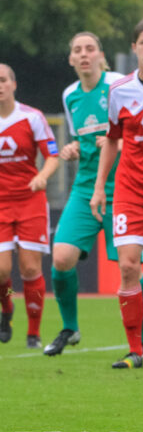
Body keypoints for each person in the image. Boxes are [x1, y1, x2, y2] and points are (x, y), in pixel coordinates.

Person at [90, 16, 143, 368]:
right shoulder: (118, 90)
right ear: (134, 48)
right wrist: (98, 189)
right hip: (130, 190)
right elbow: (111, 140)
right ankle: (135, 351)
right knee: (127, 266)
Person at [43, 32, 127, 356]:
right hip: (86, 187)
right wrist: (75, 147)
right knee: (62, 257)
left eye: (89, 48)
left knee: (129, 265)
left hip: (123, 186)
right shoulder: (70, 96)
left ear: (100, 55)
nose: (83, 55)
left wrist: (116, 141)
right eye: (77, 50)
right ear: (70, 59)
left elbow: (133, 132)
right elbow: (84, 137)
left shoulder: (118, 84)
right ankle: (70, 328)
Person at [0, 64, 59, 348]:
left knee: (30, 269)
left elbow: (53, 155)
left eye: (3, 80)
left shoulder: (32, 117)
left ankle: (33, 333)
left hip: (30, 201)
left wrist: (42, 176)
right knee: (1, 271)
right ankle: (7, 309)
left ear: (14, 84)